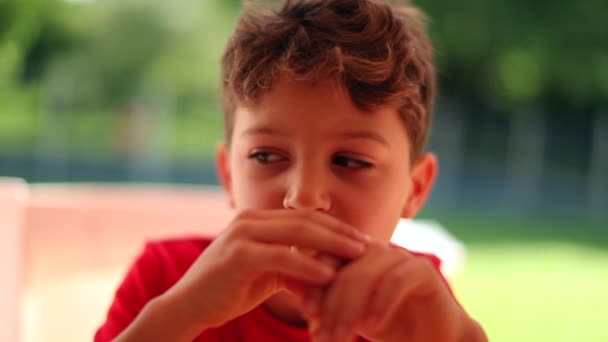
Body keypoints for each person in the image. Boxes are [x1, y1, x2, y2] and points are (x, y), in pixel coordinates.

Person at [95, 0, 488, 341]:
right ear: (229, 175)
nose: (303, 197)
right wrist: (179, 317)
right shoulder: (167, 281)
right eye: (266, 156)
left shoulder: (412, 300)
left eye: (350, 161)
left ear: (414, 189)